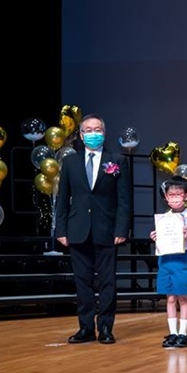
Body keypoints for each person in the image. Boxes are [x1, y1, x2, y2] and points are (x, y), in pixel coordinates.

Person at [56, 113, 132, 344]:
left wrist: (122, 229)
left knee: (108, 282)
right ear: (81, 135)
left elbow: (124, 200)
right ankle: (86, 328)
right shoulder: (70, 162)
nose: (93, 133)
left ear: (104, 133)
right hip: (77, 230)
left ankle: (106, 328)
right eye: (88, 130)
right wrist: (61, 230)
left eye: (97, 129)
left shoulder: (117, 160)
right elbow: (63, 199)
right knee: (82, 282)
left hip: (107, 230)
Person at [150, 176, 187, 348]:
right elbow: (162, 241)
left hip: (181, 260)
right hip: (165, 259)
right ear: (166, 197)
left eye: (178, 195)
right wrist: (155, 237)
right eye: (171, 195)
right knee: (170, 297)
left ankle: (183, 333)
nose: (174, 198)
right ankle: (173, 333)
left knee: (182, 297)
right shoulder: (163, 219)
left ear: (186, 196)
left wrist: (186, 236)